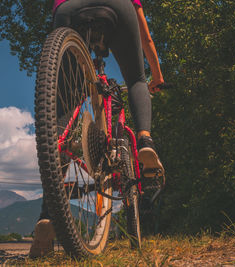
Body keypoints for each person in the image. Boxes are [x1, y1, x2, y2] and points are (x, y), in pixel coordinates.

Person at [29, 0, 164, 258]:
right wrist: (156, 77)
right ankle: (146, 141)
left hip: (68, 9)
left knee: (63, 113)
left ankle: (48, 215)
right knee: (136, 78)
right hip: (119, 7)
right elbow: (146, 38)